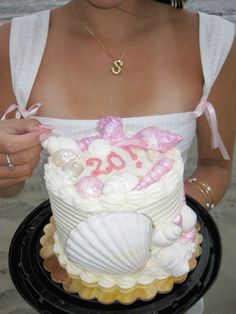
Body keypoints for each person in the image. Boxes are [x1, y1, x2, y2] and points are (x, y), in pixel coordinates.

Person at [0, 0, 235, 312]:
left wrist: (164, 224)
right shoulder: (12, 44)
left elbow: (215, 166)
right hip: (72, 289)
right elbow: (10, 184)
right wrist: (5, 169)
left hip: (168, 284)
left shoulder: (215, 39)